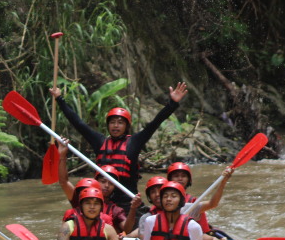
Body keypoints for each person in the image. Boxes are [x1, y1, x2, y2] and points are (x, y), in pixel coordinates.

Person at [49, 81, 188, 206]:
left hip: (128, 201)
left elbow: (155, 123)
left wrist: (172, 104)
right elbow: (78, 123)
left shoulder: (134, 142)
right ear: (108, 125)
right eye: (112, 122)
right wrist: (59, 99)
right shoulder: (100, 141)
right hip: (102, 200)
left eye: (120, 122)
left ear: (126, 126)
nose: (116, 126)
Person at [138, 181, 205, 240]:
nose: (168, 199)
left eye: (173, 196)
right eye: (165, 196)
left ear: (181, 201)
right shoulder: (150, 221)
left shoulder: (193, 227)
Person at [166, 162, 235, 237]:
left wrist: (223, 183)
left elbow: (212, 204)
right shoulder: (161, 201)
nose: (180, 179)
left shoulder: (192, 202)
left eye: (183, 176)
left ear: (188, 179)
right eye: (176, 176)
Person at [54, 188, 121, 240]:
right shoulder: (68, 226)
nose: (92, 207)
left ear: (101, 207)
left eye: (96, 203)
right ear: (81, 206)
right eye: (88, 203)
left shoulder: (108, 229)